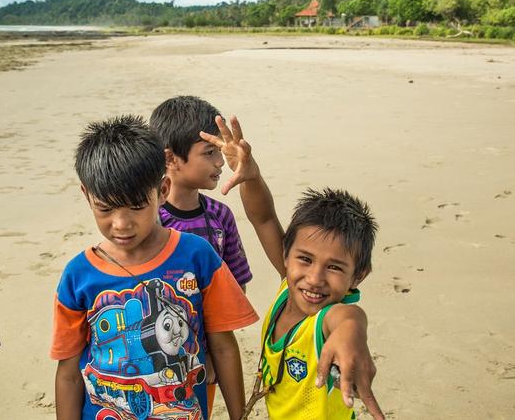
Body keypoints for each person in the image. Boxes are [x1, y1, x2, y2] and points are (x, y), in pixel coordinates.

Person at [51, 115, 258, 420]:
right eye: (105, 208)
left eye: (136, 206)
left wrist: (239, 415)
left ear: (162, 190)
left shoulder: (197, 256)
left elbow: (224, 346)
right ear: (86, 195)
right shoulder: (77, 276)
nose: (121, 224)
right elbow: (68, 373)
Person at [200, 115, 386, 420]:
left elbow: (348, 319)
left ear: (358, 276)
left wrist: (352, 333)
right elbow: (264, 219)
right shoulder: (290, 282)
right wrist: (250, 177)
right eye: (306, 259)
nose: (314, 278)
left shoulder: (327, 317)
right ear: (286, 254)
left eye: (335, 267)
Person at [150, 96, 252, 290]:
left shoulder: (221, 216)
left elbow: (237, 284)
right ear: (171, 158)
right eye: (209, 152)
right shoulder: (150, 218)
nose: (220, 162)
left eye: (219, 151)